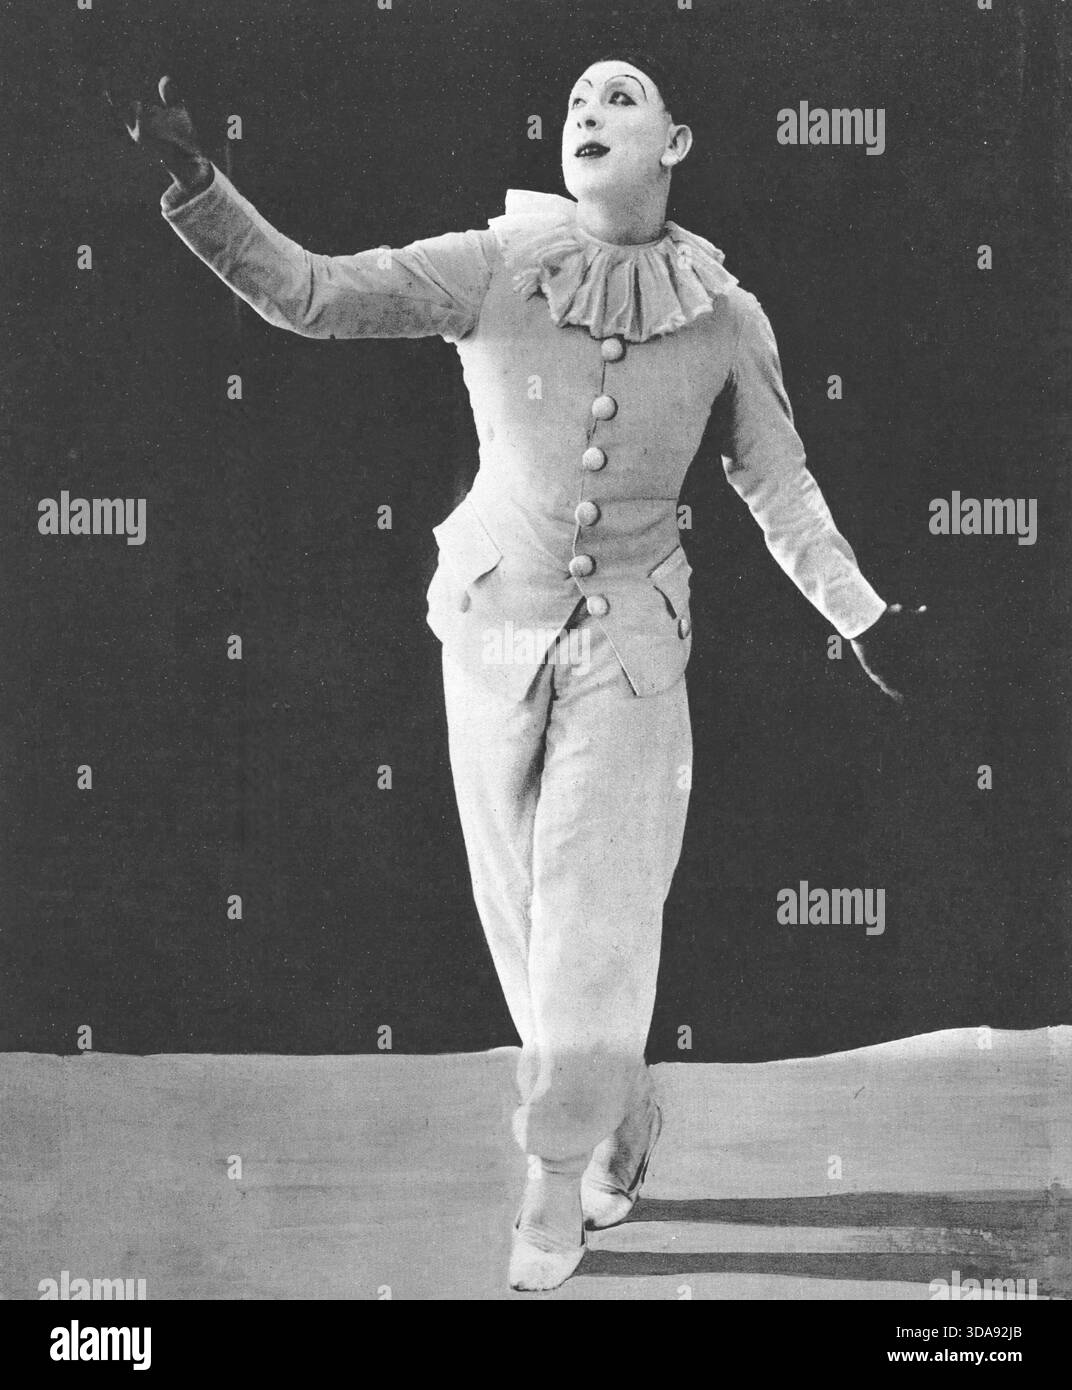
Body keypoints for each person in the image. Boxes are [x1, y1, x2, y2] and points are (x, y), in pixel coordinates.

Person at [114, 55, 925, 1292]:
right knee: (530, 929)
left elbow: (780, 483)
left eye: (624, 98)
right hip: (493, 628)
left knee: (595, 923)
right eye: (580, 102)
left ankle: (548, 1186)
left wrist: (858, 610)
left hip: (634, 650)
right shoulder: (491, 264)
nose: (591, 113)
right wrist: (198, 181)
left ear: (678, 142)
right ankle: (618, 1108)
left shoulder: (723, 315)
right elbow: (316, 296)